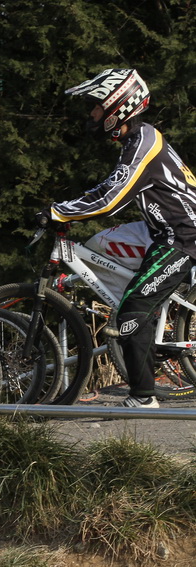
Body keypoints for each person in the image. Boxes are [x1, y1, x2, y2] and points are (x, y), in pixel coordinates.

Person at [39, 68, 196, 409]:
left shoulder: (143, 143)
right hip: (160, 230)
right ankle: (147, 315)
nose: (92, 115)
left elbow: (110, 198)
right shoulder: (137, 138)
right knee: (101, 246)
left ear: (117, 107)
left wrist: (57, 212)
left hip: (184, 237)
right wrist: (63, 210)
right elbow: (107, 187)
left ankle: (143, 397)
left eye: (96, 107)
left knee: (130, 312)